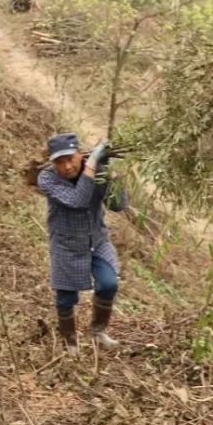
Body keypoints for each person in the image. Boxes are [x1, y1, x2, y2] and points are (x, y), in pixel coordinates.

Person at [37, 133, 127, 355]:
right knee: (66, 298)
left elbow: (117, 205)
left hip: (96, 239)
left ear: (80, 153)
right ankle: (70, 341)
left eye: (70, 158)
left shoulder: (95, 170)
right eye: (59, 161)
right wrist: (92, 165)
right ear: (52, 163)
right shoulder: (48, 179)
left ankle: (98, 331)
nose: (67, 166)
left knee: (108, 284)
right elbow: (77, 200)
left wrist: (107, 173)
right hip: (66, 245)